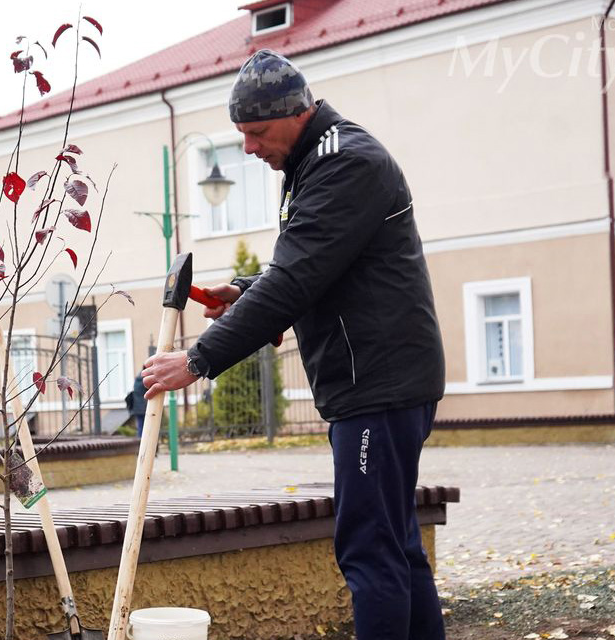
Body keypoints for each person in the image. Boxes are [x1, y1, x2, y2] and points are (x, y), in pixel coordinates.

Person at [140, 50, 446, 640]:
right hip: (380, 384)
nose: (249, 149)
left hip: (376, 389)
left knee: (369, 551)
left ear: (296, 113)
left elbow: (297, 279)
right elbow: (324, 265)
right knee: (396, 544)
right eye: (242, 135)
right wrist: (245, 290)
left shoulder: (345, 163)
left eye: (256, 133)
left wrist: (200, 359)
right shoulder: (316, 163)